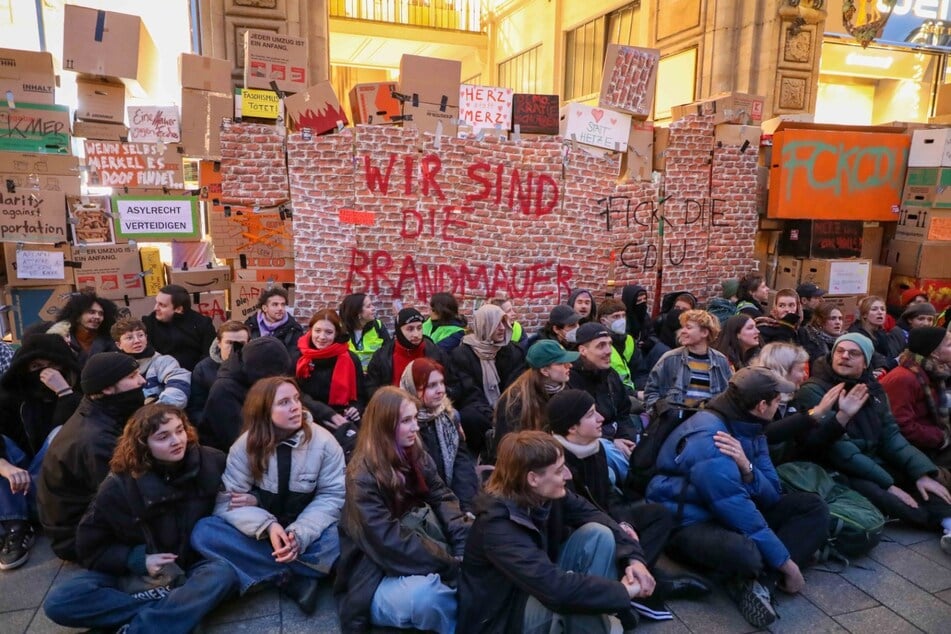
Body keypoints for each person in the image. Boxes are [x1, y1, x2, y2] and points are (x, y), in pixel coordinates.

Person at [646, 367, 830, 628]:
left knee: (813, 507)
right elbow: (739, 511)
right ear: (761, 404)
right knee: (747, 553)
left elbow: (773, 494)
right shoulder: (711, 439)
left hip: (725, 509)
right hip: (688, 523)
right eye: (777, 402)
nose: (779, 409)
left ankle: (759, 583)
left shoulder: (751, 425)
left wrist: (748, 469)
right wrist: (789, 566)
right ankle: (756, 576)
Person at [42, 404, 238, 632]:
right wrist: (137, 560)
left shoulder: (211, 461)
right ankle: (172, 613)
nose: (177, 441)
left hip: (192, 569)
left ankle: (145, 626)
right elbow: (90, 547)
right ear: (143, 445)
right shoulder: (118, 486)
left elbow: (242, 491)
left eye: (179, 430)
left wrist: (250, 499)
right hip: (138, 576)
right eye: (163, 437)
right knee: (60, 600)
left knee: (223, 574)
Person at [458, 430, 652, 634]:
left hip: (532, 589)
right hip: (503, 618)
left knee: (599, 533)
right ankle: (594, 621)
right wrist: (624, 591)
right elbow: (555, 589)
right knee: (571, 600)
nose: (567, 475)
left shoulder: (542, 493)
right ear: (533, 478)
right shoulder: (497, 526)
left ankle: (593, 620)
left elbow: (595, 514)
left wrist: (634, 558)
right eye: (559, 470)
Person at [545, 390, 710, 618]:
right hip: (584, 533)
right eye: (592, 414)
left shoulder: (594, 447)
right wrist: (617, 529)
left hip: (604, 517)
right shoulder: (557, 464)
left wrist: (623, 521)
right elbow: (577, 516)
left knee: (658, 514)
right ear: (572, 428)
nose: (601, 417)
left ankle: (638, 576)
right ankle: (641, 586)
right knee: (605, 532)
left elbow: (609, 495)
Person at [190, 378, 344, 614]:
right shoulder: (246, 446)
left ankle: (268, 571)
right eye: (283, 402)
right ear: (263, 410)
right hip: (263, 534)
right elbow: (227, 501)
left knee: (340, 536)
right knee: (204, 532)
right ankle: (296, 575)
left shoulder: (324, 442)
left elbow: (332, 496)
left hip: (309, 531)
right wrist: (268, 526)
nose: (295, 407)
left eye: (296, 399)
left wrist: (299, 534)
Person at [795, 333, 951, 553]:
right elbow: (841, 450)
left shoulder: (873, 388)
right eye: (840, 351)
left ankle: (948, 525)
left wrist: (922, 472)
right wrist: (889, 485)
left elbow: (891, 436)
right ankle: (940, 521)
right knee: (896, 500)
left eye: (853, 353)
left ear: (866, 361)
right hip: (838, 467)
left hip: (872, 458)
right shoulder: (815, 390)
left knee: (926, 481)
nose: (845, 356)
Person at [335, 386, 470, 632]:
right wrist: (449, 562)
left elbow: (442, 495)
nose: (416, 427)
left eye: (414, 419)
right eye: (406, 421)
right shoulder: (361, 477)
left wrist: (462, 543)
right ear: (385, 426)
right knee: (427, 597)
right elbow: (388, 541)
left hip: (425, 543)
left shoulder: (414, 451)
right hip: (377, 571)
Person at [37, 352, 146, 561]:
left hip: (76, 523)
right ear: (106, 387)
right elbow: (118, 500)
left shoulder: (100, 412)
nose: (142, 380)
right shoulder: (96, 439)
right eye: (132, 377)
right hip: (77, 537)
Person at [0, 334, 82, 570]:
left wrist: (64, 392)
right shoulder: (11, 397)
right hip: (19, 487)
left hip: (57, 493)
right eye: (36, 367)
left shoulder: (80, 389)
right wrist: (5, 466)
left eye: (51, 365)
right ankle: (16, 525)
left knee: (61, 433)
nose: (44, 373)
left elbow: (87, 425)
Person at [201, 336, 326, 453]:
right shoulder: (224, 391)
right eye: (278, 375)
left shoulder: (250, 374)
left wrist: (324, 413)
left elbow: (296, 396)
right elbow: (243, 441)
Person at [400, 358, 480, 512]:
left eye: (441, 383)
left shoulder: (448, 416)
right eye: (431, 386)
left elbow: (461, 463)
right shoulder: (403, 425)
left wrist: (465, 507)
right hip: (422, 507)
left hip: (452, 500)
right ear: (413, 388)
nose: (441, 390)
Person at [753, 342, 846, 465]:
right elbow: (766, 433)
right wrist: (814, 413)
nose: (805, 375)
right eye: (801, 370)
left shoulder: (792, 398)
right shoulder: (755, 397)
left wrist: (843, 417)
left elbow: (809, 444)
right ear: (783, 370)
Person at [451, 304, 526, 455]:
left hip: (507, 406)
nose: (502, 328)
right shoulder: (462, 354)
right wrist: (490, 414)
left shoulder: (512, 351)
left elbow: (515, 384)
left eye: (504, 323)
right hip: (480, 410)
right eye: (497, 323)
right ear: (484, 325)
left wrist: (502, 411)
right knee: (470, 417)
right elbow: (469, 391)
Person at [567, 323, 640, 476]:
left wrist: (625, 438)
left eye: (609, 345)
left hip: (617, 435)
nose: (608, 351)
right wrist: (612, 441)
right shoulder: (570, 380)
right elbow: (575, 427)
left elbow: (623, 412)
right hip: (591, 441)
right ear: (583, 350)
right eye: (601, 346)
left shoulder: (610, 374)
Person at [881, 327, 951, 483]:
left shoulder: (931, 372)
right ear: (934, 353)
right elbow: (901, 426)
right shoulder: (904, 378)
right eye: (949, 345)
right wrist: (941, 437)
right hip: (916, 449)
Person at [296, 309, 367, 457]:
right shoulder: (299, 357)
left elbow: (361, 396)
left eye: (328, 332)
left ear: (336, 334)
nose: (322, 337)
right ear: (311, 331)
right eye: (318, 331)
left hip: (342, 422)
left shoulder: (351, 359)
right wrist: (327, 413)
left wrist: (355, 408)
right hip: (307, 419)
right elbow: (296, 394)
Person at [491, 340, 578, 460]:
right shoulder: (516, 401)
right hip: (531, 460)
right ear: (545, 371)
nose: (570, 365)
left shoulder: (566, 387)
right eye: (562, 363)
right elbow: (510, 446)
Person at [644, 309, 732, 409]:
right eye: (683, 327)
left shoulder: (721, 361)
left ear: (704, 332)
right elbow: (650, 393)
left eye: (689, 327)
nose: (683, 331)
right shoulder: (670, 358)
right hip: (676, 421)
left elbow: (729, 396)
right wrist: (662, 413)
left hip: (710, 420)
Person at [365, 307, 453, 397]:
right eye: (410, 329)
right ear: (399, 330)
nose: (416, 334)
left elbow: (452, 386)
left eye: (419, 328)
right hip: (393, 407)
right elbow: (371, 388)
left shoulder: (437, 353)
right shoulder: (382, 356)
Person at [112, 318, 191, 407]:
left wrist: (151, 413)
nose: (137, 341)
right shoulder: (113, 368)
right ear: (119, 345)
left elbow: (178, 391)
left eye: (140, 335)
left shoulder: (163, 362)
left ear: (146, 337)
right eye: (129, 338)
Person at [188, 320, 250, 427]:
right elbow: (196, 409)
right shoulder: (203, 369)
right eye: (229, 343)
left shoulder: (255, 366)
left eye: (240, 344)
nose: (234, 348)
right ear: (219, 343)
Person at [143, 285, 217, 371]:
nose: (155, 308)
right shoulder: (149, 323)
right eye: (156, 303)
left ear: (178, 309)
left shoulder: (202, 324)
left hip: (195, 375)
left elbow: (210, 356)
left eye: (162, 305)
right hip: (160, 374)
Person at [53, 291, 119, 366]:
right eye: (91, 312)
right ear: (77, 316)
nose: (97, 317)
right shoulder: (63, 339)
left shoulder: (110, 341)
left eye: (101, 314)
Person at [245, 286, 304, 360]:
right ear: (264, 308)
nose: (280, 308)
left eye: (283, 304)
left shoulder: (294, 329)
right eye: (275, 304)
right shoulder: (250, 326)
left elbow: (292, 359)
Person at [339, 292, 392, 371]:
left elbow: (388, 352)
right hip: (350, 376)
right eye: (368, 306)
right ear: (357, 312)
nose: (373, 308)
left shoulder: (378, 326)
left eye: (372, 305)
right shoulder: (341, 330)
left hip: (374, 376)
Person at [849, 296, 900, 373]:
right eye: (874, 309)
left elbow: (889, 355)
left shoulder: (881, 332)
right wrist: (897, 361)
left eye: (883, 309)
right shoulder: (857, 335)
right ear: (864, 315)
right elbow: (876, 360)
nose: (880, 312)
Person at [597, 298, 638, 394]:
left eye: (623, 316)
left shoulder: (629, 340)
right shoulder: (598, 343)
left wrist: (641, 390)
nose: (622, 320)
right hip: (614, 394)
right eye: (616, 317)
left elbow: (640, 370)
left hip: (633, 392)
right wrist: (634, 394)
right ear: (603, 320)